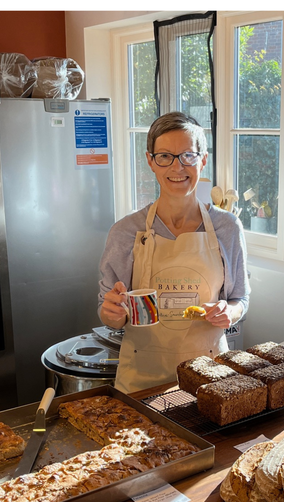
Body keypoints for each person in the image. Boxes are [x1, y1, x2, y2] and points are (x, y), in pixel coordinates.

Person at [98, 112, 250, 393]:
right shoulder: (125, 231)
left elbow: (240, 298)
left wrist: (229, 311)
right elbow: (110, 312)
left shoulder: (227, 228)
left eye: (187, 156)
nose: (177, 167)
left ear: (203, 160)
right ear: (150, 161)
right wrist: (112, 312)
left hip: (210, 378)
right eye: (165, 156)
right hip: (142, 381)